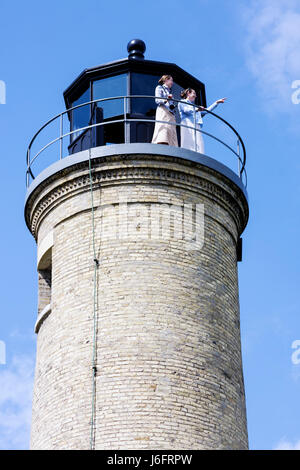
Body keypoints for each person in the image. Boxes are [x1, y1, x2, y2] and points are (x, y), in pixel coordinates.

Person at [178, 88, 226, 153]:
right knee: (188, 141)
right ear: (188, 93)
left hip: (196, 124)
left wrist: (216, 103)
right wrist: (197, 109)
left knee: (198, 142)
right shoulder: (182, 102)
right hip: (187, 123)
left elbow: (206, 111)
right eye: (194, 93)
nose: (195, 95)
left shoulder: (195, 107)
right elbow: (186, 110)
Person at [151, 75, 178, 147]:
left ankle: (171, 144)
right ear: (166, 80)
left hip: (171, 113)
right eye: (171, 80)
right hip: (163, 110)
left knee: (171, 129)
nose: (172, 82)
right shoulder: (159, 88)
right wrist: (166, 99)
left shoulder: (170, 92)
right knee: (163, 127)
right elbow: (157, 100)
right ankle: (162, 141)